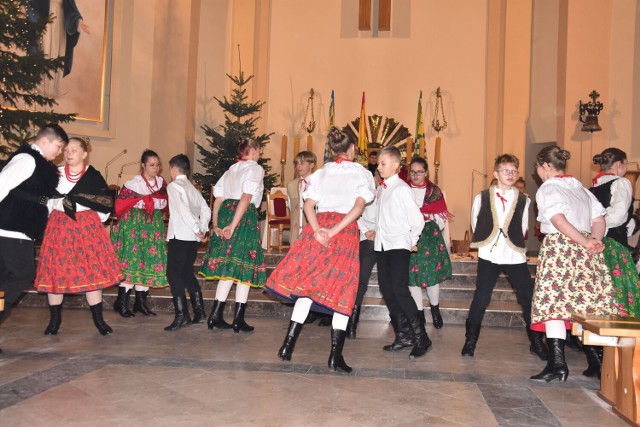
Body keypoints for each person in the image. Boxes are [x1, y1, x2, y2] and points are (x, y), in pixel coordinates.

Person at [265, 127, 375, 372]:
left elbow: (309, 205)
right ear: (352, 149)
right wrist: (334, 232)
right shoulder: (360, 173)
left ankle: (287, 346)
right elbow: (357, 209)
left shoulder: (322, 173)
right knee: (342, 293)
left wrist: (318, 231)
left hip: (318, 230)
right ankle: (335, 357)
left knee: (307, 288)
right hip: (343, 233)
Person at [530, 145, 618, 382]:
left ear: (546, 166)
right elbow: (599, 219)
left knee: (554, 305)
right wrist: (593, 241)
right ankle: (596, 362)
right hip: (586, 251)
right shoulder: (580, 189)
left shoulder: (549, 188)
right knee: (585, 306)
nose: (538, 172)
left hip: (561, 248)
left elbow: (558, 220)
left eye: (538, 167)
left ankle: (557, 364)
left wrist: (583, 241)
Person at [462, 154, 546, 360]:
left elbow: (524, 226)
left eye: (514, 171)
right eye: (506, 171)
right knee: (481, 297)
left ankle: (536, 342)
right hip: (489, 252)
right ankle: (470, 340)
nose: (510, 174)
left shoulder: (524, 199)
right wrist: (488, 239)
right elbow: (475, 222)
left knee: (527, 297)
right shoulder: (481, 197)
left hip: (514, 252)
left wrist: (514, 240)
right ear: (496, 174)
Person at [34, 137, 121, 336]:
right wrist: (60, 204)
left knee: (91, 272)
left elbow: (103, 203)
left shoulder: (92, 176)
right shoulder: (54, 174)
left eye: (74, 150)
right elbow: (45, 200)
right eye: (66, 150)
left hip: (86, 228)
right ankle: (54, 320)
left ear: (84, 154)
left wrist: (81, 207)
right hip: (59, 228)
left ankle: (99, 320)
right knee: (56, 271)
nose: (69, 153)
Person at [0, 123, 67, 352]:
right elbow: (1, 185)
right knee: (24, 273)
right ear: (45, 140)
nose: (59, 153)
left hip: (17, 229)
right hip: (11, 228)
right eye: (58, 147)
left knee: (1, 283)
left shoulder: (38, 164)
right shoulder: (27, 160)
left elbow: (37, 197)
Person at [199, 138, 267, 333]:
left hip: (228, 212)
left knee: (229, 267)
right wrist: (232, 225)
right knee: (243, 265)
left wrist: (217, 223)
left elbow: (218, 198)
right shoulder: (255, 168)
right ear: (252, 150)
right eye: (259, 148)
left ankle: (216, 315)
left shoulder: (231, 170)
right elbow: (246, 197)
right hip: (242, 216)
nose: (260, 151)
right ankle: (238, 319)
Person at [587, 148, 640, 378]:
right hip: (612, 247)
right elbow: (618, 216)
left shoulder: (591, 187)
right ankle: (612, 359)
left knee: (594, 297)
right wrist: (603, 230)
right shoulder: (622, 183)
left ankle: (595, 357)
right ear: (619, 164)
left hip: (592, 245)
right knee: (619, 297)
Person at [376, 146, 431, 360]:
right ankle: (404, 335)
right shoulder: (382, 188)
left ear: (396, 165)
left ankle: (422, 337)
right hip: (382, 246)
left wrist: (411, 241)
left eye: (383, 163)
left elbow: (417, 219)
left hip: (398, 245)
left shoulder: (401, 188)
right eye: (379, 163)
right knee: (387, 290)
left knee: (399, 290)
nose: (379, 167)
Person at [111, 150, 169, 318]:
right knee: (132, 261)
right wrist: (144, 202)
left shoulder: (160, 183)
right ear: (143, 165)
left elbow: (164, 202)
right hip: (133, 226)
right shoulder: (133, 183)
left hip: (152, 226)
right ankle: (121, 302)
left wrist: (150, 202)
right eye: (151, 165)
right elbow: (123, 203)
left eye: (157, 165)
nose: (155, 168)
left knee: (148, 261)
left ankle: (140, 303)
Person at [164, 154, 211, 331]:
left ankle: (182, 316)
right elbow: (206, 208)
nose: (170, 172)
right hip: (192, 239)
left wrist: (196, 227)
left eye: (170, 169)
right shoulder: (192, 188)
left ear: (174, 168)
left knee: (173, 274)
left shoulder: (174, 186)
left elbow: (182, 210)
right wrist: (202, 228)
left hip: (180, 236)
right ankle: (199, 313)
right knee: (185, 273)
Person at [407, 157, 453, 329]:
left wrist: (425, 220)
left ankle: (435, 309)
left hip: (429, 238)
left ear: (426, 173)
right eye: (412, 172)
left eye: (419, 172)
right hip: (409, 237)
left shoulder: (434, 191)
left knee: (431, 277)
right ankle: (419, 313)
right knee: (412, 277)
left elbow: (441, 218)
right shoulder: (403, 190)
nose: (416, 175)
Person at [346, 197, 377, 339]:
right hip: (366, 238)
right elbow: (355, 213)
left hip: (388, 239)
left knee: (391, 282)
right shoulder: (364, 194)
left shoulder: (394, 190)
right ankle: (352, 324)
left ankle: (400, 324)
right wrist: (366, 232)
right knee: (361, 280)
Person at [287, 151, 317, 241]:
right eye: (297, 163)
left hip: (312, 233)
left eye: (302, 163)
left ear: (312, 165)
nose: (298, 166)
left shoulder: (317, 183)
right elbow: (291, 207)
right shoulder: (291, 185)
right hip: (295, 234)